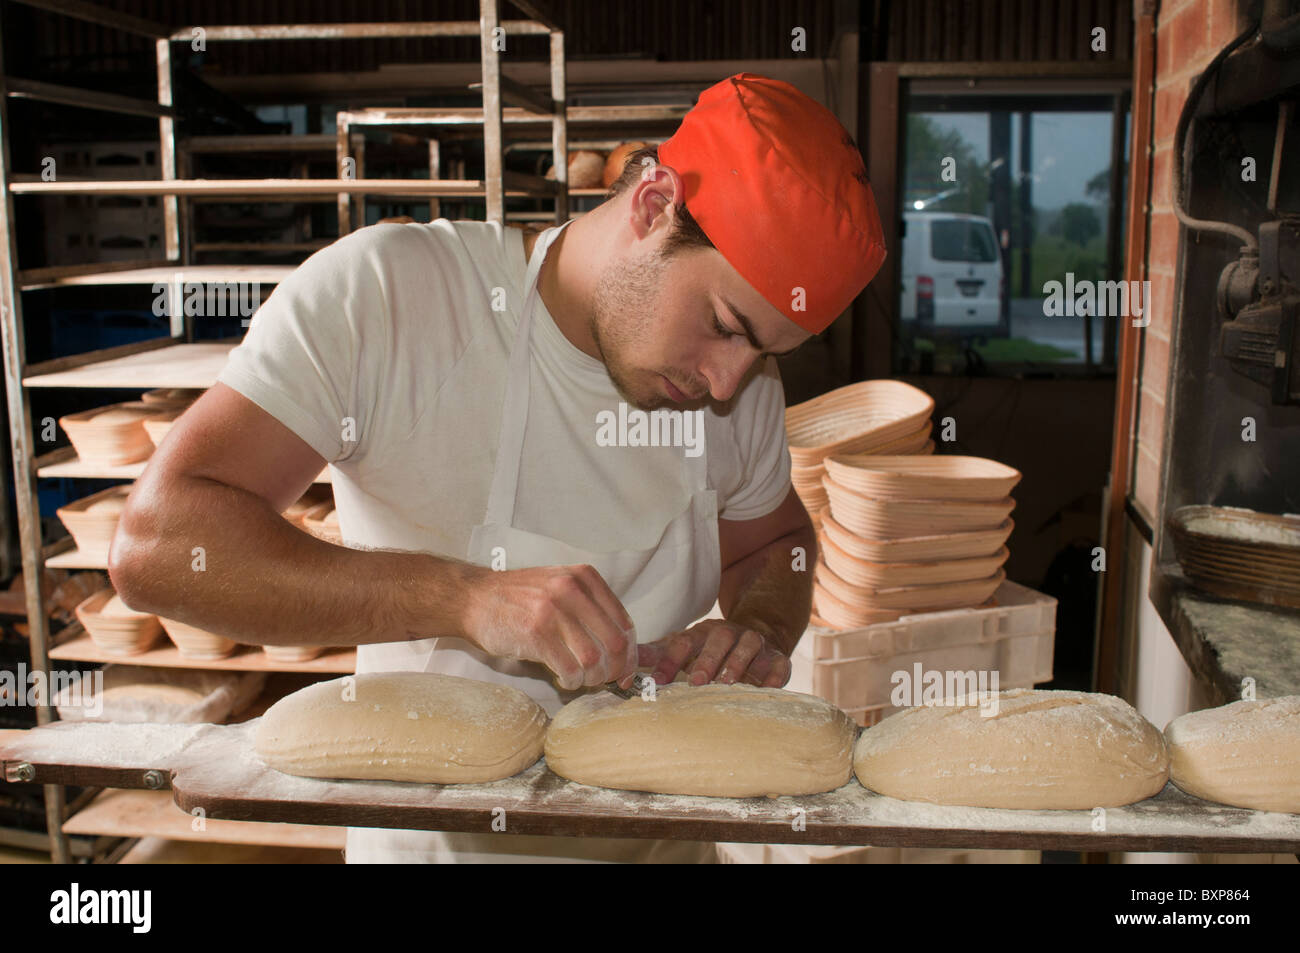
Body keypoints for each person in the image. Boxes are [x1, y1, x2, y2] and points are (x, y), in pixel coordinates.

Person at [108, 72, 886, 863]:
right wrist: (463, 594)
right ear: (655, 205)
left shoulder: (735, 385)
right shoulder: (393, 297)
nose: (727, 382)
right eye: (723, 325)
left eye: (761, 351)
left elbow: (775, 542)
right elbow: (159, 546)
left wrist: (758, 625)